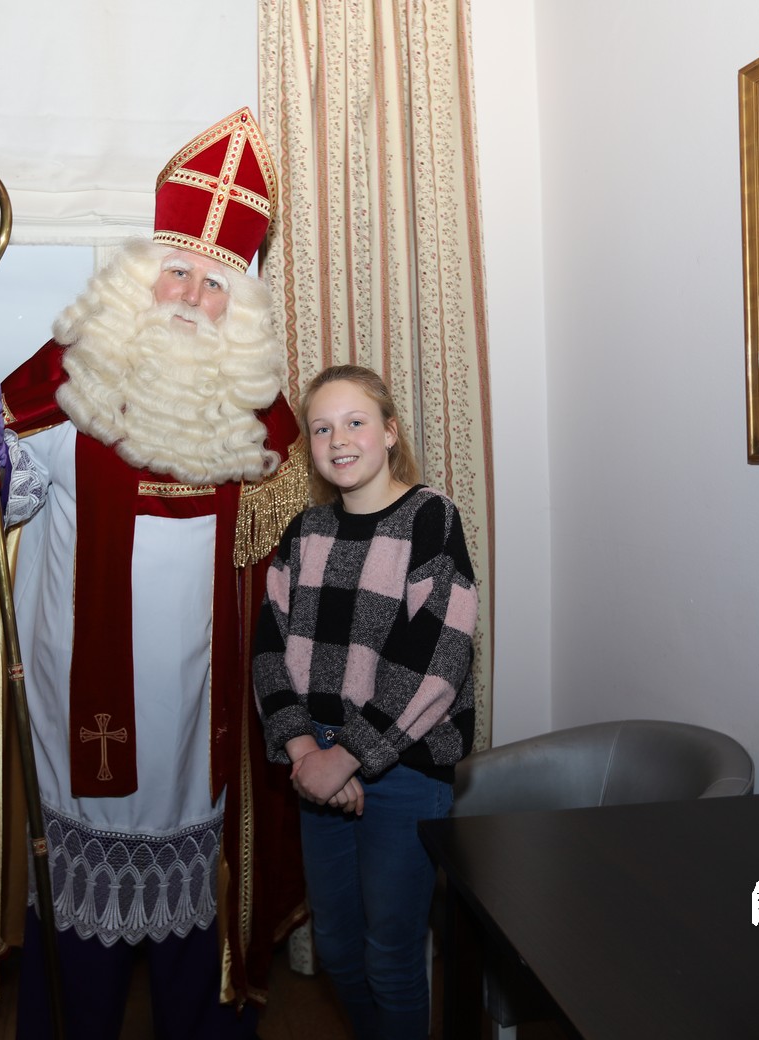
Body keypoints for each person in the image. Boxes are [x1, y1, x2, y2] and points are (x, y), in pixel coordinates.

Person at [0, 108, 308, 1038]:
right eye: (177, 270)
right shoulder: (69, 379)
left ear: (240, 304)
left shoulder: (261, 424)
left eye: (215, 282)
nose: (189, 296)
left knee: (195, 949)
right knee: (76, 959)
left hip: (201, 733)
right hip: (79, 718)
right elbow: (11, 498)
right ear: (140, 273)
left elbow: (287, 574)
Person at [252, 365, 478, 1039]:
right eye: (322, 429)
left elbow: (436, 658)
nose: (339, 439)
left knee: (391, 956)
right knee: (338, 948)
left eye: (355, 422)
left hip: (405, 767)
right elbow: (268, 648)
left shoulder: (431, 518)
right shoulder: (304, 531)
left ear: (390, 432)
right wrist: (306, 750)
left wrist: (348, 755)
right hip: (316, 762)